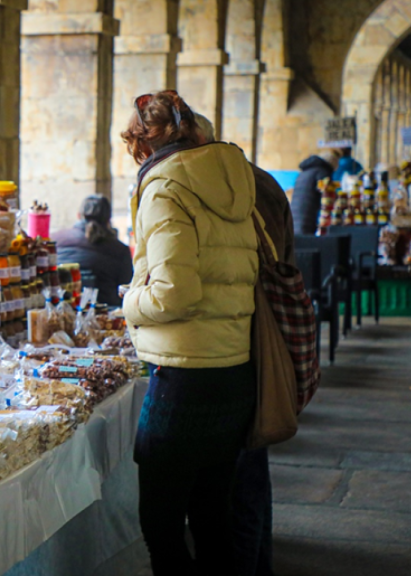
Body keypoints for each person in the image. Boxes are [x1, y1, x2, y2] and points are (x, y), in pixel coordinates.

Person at [122, 90, 259, 576]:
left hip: (184, 377)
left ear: (146, 142)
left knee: (160, 524)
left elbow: (174, 293)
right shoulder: (235, 177)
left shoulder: (164, 187)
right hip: (235, 368)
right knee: (211, 515)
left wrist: (127, 302)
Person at [196, 114, 292, 576]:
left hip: (235, 342)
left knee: (233, 480)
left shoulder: (213, 188)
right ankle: (261, 564)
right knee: (252, 466)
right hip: (268, 333)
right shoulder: (260, 180)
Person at [52, 196, 133, 306]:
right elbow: (126, 291)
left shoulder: (56, 239)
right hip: (106, 315)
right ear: (108, 219)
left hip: (59, 308)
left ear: (79, 215)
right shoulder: (119, 250)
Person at [291, 149, 340, 235]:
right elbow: (328, 195)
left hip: (295, 214)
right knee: (306, 242)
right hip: (308, 214)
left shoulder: (304, 172)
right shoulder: (322, 172)